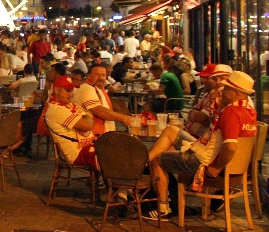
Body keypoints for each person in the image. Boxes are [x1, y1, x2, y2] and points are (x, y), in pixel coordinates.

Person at [146, 71, 257, 220]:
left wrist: (217, 168)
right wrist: (222, 104)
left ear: (236, 92)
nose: (223, 91)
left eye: (227, 89)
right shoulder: (249, 111)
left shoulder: (232, 112)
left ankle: (163, 208)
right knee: (172, 130)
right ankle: (142, 164)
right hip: (221, 158)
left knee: (158, 159)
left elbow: (230, 147)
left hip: (204, 161)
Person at [44, 75, 97, 169]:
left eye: (72, 90)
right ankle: (114, 181)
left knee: (116, 147)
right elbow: (87, 126)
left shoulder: (69, 105)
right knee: (113, 153)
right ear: (56, 90)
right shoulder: (57, 109)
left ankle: (110, 181)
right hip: (77, 153)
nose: (71, 94)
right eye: (68, 90)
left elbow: (89, 121)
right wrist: (87, 117)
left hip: (85, 147)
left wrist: (87, 118)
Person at [73, 65, 131, 135]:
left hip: (103, 135)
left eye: (103, 75)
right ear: (88, 76)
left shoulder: (97, 88)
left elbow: (107, 106)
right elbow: (99, 111)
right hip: (93, 138)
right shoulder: (86, 88)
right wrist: (124, 118)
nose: (100, 78)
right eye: (97, 74)